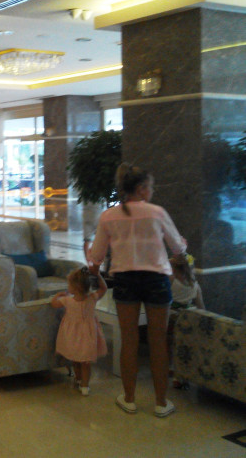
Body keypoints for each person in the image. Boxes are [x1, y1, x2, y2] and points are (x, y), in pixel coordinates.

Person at [89, 163, 187, 418]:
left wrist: (93, 268)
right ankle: (161, 402)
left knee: (129, 340)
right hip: (157, 280)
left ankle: (129, 399)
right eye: (150, 187)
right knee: (158, 341)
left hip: (125, 280)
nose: (151, 191)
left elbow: (97, 255)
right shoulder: (157, 213)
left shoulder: (109, 216)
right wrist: (181, 247)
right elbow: (177, 248)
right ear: (142, 189)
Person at [51, 267, 108, 396]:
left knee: (75, 359)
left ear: (75, 288)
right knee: (86, 362)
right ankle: (85, 386)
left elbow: (53, 304)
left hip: (72, 335)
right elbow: (104, 288)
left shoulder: (67, 300)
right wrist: (98, 276)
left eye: (69, 285)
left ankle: (78, 379)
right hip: (88, 335)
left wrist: (57, 295)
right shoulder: (92, 298)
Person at [168, 254, 205, 389]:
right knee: (185, 347)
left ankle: (170, 367)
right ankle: (182, 375)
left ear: (174, 268)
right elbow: (201, 307)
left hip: (172, 317)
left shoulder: (171, 280)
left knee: (171, 344)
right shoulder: (195, 285)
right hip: (188, 318)